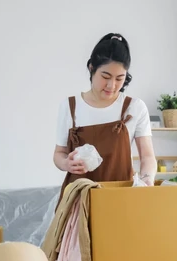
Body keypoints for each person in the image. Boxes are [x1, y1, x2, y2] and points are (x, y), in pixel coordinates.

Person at [53, 32, 157, 204]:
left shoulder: (134, 107)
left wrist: (147, 180)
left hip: (121, 201)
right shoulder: (70, 107)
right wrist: (66, 164)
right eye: (105, 77)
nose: (112, 85)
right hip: (79, 201)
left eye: (119, 78)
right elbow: (59, 154)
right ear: (92, 68)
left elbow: (147, 157)